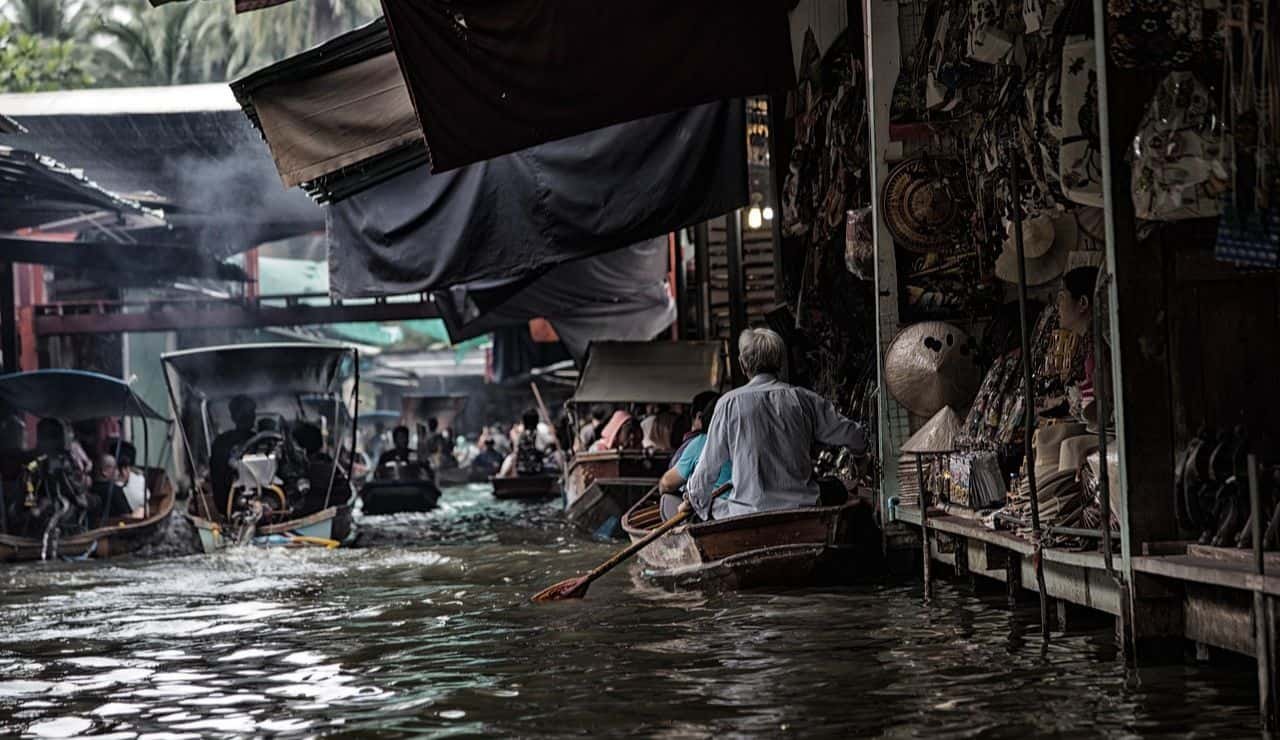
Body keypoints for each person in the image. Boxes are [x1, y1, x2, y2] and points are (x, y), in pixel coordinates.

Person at [684, 328, 867, 521]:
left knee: (708, 508)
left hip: (747, 514)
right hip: (802, 507)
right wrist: (860, 456)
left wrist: (694, 499)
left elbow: (707, 469)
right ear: (780, 362)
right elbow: (854, 436)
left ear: (742, 364)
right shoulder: (803, 399)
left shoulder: (729, 404)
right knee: (837, 488)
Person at [658, 394, 731, 518]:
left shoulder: (701, 441)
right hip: (742, 508)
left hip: (711, 513)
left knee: (668, 499)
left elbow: (667, 484)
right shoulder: (744, 442)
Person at [1056, 266, 1110, 426]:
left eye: (1062, 297)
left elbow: (1103, 407)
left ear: (1083, 303)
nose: (1057, 306)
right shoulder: (1088, 342)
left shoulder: (1098, 344)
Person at [209, 395, 257, 517]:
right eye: (243, 413)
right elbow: (218, 479)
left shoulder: (264, 440)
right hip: (231, 506)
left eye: (250, 412)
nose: (248, 416)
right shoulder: (222, 443)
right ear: (234, 417)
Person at [501, 409, 549, 477]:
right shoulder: (539, 433)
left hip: (523, 471)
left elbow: (516, 453)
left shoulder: (521, 435)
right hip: (536, 470)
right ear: (536, 421)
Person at [88, 453, 132, 522]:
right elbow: (127, 516)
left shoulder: (90, 488)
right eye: (115, 467)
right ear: (105, 471)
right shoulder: (114, 490)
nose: (118, 471)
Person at [116, 440, 148, 516]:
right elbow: (145, 497)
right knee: (142, 509)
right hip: (128, 518)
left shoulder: (136, 479)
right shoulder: (137, 480)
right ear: (124, 470)